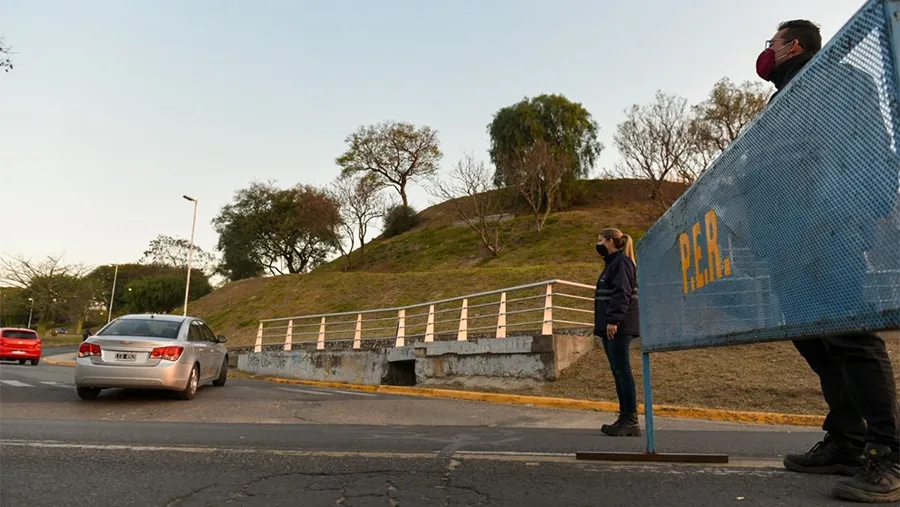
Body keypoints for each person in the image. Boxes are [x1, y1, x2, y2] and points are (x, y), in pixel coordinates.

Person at [755, 19, 900, 503]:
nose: (767, 50)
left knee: (850, 337)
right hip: (788, 240)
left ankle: (889, 452)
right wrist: (761, 232)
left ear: (794, 45)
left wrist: (860, 215)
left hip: (832, 229)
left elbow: (874, 149)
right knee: (815, 341)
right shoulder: (780, 102)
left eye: (773, 42)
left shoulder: (842, 81)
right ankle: (847, 441)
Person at [594, 228, 641, 437]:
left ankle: (630, 419)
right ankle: (624, 417)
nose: (598, 244)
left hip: (619, 325)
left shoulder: (621, 263)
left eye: (601, 240)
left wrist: (613, 320)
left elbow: (622, 293)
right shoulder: (612, 264)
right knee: (618, 371)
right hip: (611, 325)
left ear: (610, 242)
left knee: (622, 370)